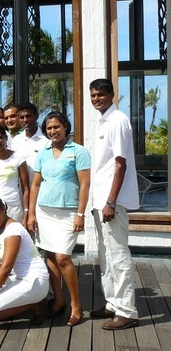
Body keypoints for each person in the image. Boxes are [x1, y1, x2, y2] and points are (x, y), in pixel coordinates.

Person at [28, 111, 90, 327]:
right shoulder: (43, 152)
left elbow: (84, 184)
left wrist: (81, 214)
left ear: (65, 126)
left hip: (68, 212)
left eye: (56, 127)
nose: (52, 131)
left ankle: (76, 305)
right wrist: (31, 212)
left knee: (63, 257)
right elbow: (35, 184)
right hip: (44, 211)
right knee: (51, 257)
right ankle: (59, 300)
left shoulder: (79, 151)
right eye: (49, 128)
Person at [89, 78, 140, 330]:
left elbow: (120, 163)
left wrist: (111, 201)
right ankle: (112, 303)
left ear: (111, 95)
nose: (96, 98)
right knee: (105, 254)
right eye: (93, 95)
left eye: (100, 94)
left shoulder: (117, 120)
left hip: (112, 202)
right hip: (100, 201)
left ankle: (127, 310)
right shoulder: (102, 120)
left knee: (118, 255)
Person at [0, 196, 48, 322]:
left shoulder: (13, 230)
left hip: (32, 281)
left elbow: (6, 268)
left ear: (3, 209)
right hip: (13, 277)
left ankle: (34, 304)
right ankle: (8, 300)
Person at [13, 102, 48, 184]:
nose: (25, 120)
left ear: (37, 116)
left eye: (28, 116)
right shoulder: (15, 141)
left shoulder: (46, 141)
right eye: (22, 117)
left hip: (40, 190)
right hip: (21, 192)